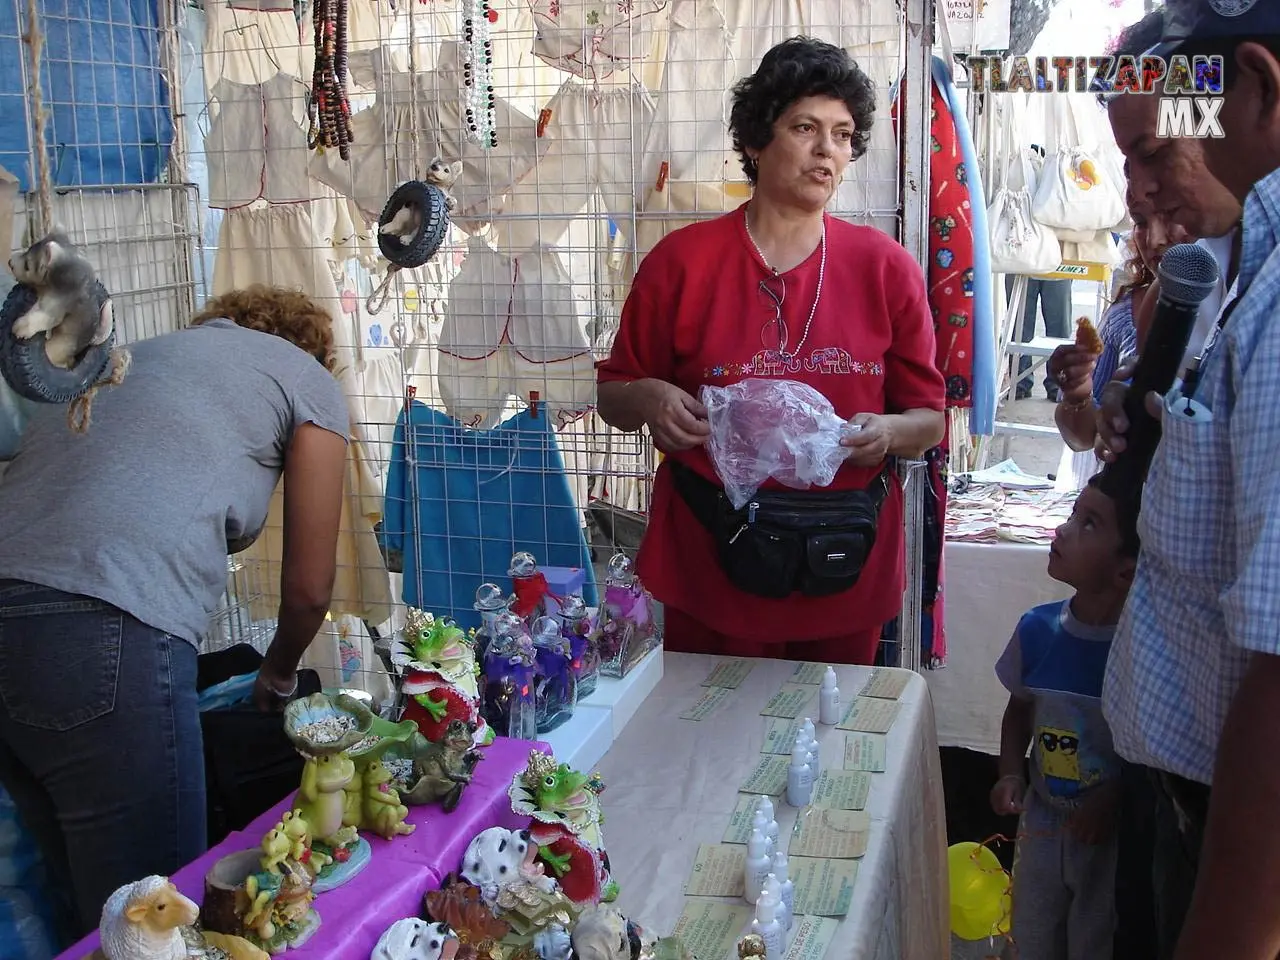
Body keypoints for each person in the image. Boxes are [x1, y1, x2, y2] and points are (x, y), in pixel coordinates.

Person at [0, 284, 349, 945]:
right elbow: (309, 589)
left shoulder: (134, 357)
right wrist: (277, 675)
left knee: (90, 921)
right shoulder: (304, 377)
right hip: (104, 625)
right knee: (155, 918)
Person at [595, 36, 946, 664]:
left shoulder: (885, 268)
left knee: (832, 721)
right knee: (707, 723)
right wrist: (650, 399)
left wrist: (888, 432)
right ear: (757, 141)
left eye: (843, 134)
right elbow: (613, 395)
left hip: (842, 558)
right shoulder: (681, 263)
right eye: (805, 127)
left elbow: (928, 419)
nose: (826, 149)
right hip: (711, 557)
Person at [1092, 3, 1280, 957]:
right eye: (1127, 161)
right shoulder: (1238, 274)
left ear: (1260, 88)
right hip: (1182, 799)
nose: (1140, 188)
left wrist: (1228, 929)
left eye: (1158, 148)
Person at [990, 474, 1141, 960]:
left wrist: (1112, 797)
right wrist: (1010, 773)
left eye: (1089, 523)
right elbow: (1018, 711)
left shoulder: (1137, 653)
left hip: (1107, 835)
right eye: (1075, 513)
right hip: (1041, 819)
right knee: (1031, 932)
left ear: (1126, 571)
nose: (1062, 529)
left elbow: (1148, 749)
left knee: (1095, 940)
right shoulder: (1037, 630)